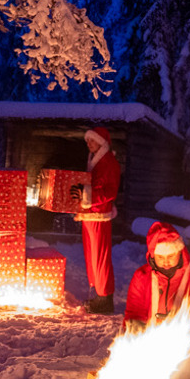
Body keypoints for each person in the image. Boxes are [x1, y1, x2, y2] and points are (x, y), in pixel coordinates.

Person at [127, 221, 190, 374]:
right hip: (152, 345)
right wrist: (135, 326)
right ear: (152, 255)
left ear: (180, 251)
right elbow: (134, 313)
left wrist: (182, 320)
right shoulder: (142, 276)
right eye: (160, 257)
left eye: (171, 256)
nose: (166, 262)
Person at [78, 125, 123, 314]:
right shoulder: (95, 161)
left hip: (100, 216)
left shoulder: (109, 162)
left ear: (102, 142)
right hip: (89, 214)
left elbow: (110, 192)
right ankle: (98, 293)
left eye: (92, 139)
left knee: (100, 257)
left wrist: (85, 194)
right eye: (87, 140)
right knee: (92, 256)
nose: (88, 143)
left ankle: (105, 298)